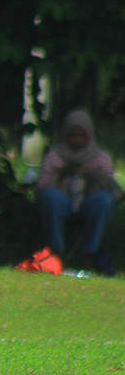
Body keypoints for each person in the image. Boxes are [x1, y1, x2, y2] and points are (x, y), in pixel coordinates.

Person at [36, 109, 121, 271]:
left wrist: (92, 173)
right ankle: (57, 250)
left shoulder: (101, 157)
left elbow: (112, 188)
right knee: (50, 197)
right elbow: (41, 187)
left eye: (81, 135)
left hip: (88, 203)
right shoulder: (54, 155)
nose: (77, 140)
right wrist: (60, 176)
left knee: (103, 200)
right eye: (72, 135)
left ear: (89, 134)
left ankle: (89, 251)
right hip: (63, 202)